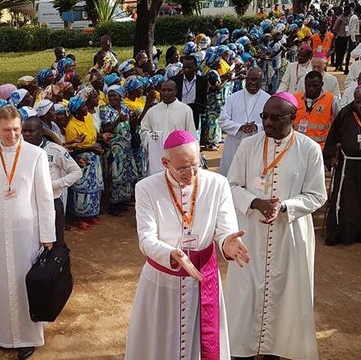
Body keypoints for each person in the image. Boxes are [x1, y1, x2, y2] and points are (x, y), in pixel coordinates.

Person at [125, 130, 250, 360]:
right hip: (163, 281)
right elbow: (146, 238)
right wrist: (171, 253)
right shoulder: (146, 188)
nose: (191, 173)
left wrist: (227, 243)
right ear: (165, 162)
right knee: (160, 343)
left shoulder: (217, 184)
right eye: (182, 168)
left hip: (204, 277)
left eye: (195, 165)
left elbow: (225, 228)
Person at [225, 92, 327, 360]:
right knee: (245, 296)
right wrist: (255, 201)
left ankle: (276, 350)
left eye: (275, 118)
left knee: (285, 296)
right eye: (264, 116)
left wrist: (284, 207)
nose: (267, 123)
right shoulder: (248, 146)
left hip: (289, 236)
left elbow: (318, 195)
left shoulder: (309, 149)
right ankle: (241, 351)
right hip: (251, 234)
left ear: (292, 118)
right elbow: (231, 185)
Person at [0, 105, 55, 360]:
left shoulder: (34, 155)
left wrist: (47, 234)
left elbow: (44, 198)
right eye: (7, 130)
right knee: (1, 281)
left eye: (16, 129)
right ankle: (5, 335)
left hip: (28, 229)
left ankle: (28, 336)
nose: (12, 135)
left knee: (25, 281)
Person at [324, 83, 361, 245]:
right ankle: (340, 233)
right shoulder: (345, 113)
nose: (360, 106)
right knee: (345, 200)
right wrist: (332, 156)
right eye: (358, 102)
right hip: (347, 164)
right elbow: (333, 137)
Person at [22, 116, 81, 248]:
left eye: (30, 131)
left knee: (55, 243)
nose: (26, 135)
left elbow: (76, 172)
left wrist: (52, 185)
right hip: (29, 205)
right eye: (24, 131)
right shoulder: (21, 151)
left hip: (52, 203)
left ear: (41, 132)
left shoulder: (55, 150)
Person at [218, 68, 271, 176]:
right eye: (250, 79)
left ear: (261, 81)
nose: (253, 82)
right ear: (245, 80)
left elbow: (272, 123)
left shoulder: (268, 100)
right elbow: (222, 120)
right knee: (232, 174)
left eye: (256, 79)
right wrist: (240, 127)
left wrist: (257, 127)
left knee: (253, 176)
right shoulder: (233, 97)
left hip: (257, 144)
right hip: (234, 143)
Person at [140, 80, 197, 175]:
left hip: (178, 154)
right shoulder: (152, 111)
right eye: (163, 90)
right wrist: (153, 138)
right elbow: (143, 131)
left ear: (176, 91)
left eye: (169, 90)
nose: (166, 93)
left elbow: (191, 134)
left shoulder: (185, 110)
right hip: (157, 155)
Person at [65, 96, 104, 230]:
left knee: (94, 187)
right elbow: (73, 149)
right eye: (83, 106)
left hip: (94, 157)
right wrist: (90, 148)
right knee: (82, 189)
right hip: (82, 160)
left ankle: (90, 214)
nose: (86, 108)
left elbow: (94, 134)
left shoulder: (87, 118)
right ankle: (79, 217)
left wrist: (99, 141)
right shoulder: (72, 127)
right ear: (76, 112)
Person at [100, 85, 139, 216]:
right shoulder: (105, 110)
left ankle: (121, 200)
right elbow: (106, 129)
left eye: (114, 95)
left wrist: (133, 122)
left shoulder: (126, 108)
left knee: (125, 175)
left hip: (126, 147)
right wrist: (117, 120)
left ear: (120, 96)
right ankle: (112, 205)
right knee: (114, 175)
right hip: (114, 150)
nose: (112, 98)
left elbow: (130, 127)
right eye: (110, 95)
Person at [293, 71, 340, 149]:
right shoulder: (295, 99)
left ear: (322, 84)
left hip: (320, 149)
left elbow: (339, 122)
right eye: (308, 86)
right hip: (298, 147)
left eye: (315, 86)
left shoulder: (331, 100)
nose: (311, 89)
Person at [170, 55, 208, 131]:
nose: (186, 70)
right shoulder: (175, 80)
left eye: (189, 67)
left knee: (192, 138)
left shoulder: (202, 81)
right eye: (184, 67)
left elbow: (204, 98)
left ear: (195, 67)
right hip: (177, 112)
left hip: (194, 113)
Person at [332, 6, 351, 72]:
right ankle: (337, 66)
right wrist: (337, 34)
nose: (350, 12)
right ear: (346, 10)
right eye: (349, 10)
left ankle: (340, 65)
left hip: (345, 38)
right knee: (338, 52)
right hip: (339, 37)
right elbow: (334, 28)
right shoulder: (340, 18)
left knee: (343, 52)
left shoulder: (348, 18)